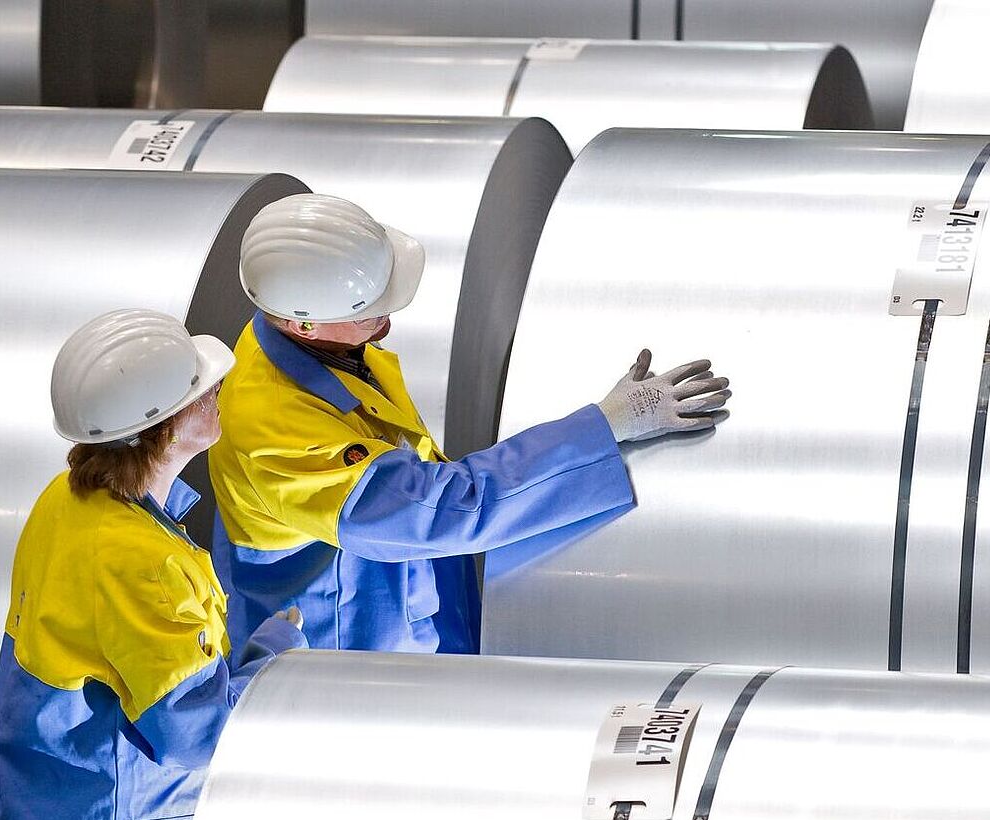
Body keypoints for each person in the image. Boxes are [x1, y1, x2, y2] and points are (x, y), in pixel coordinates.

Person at [209, 193, 731, 656]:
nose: (388, 318)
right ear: (302, 321)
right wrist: (605, 427)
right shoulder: (271, 427)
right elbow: (445, 510)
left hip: (405, 599)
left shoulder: (319, 343)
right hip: (351, 654)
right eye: (371, 307)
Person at [0, 309, 307, 820]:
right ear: (160, 427)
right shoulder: (140, 564)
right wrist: (272, 660)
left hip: (45, 818)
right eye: (201, 390)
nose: (218, 394)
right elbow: (193, 735)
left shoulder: (67, 500)